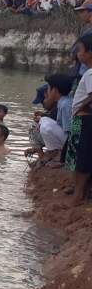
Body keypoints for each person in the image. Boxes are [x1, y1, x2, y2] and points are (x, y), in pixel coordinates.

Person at [66, 34, 92, 201]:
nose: (78, 54)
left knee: (80, 157)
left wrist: (82, 107)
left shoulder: (90, 74)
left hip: (83, 119)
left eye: (80, 50)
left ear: (89, 52)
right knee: (76, 155)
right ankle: (78, 189)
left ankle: (78, 194)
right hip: (80, 118)